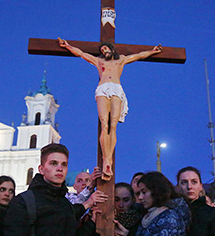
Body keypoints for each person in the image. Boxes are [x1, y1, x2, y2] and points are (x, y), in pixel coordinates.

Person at [58, 39, 162, 179]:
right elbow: (82, 54)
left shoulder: (121, 60)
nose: (104, 51)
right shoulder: (99, 62)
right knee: (104, 123)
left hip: (116, 88)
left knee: (113, 125)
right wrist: (68, 46)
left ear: (112, 49)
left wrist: (152, 51)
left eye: (106, 49)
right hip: (102, 88)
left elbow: (139, 55)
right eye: (102, 50)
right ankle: (106, 159)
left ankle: (109, 159)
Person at [1, 144, 100, 236]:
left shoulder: (64, 204)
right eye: (53, 163)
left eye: (64, 164)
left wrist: (92, 221)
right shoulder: (24, 201)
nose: (59, 168)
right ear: (41, 169)